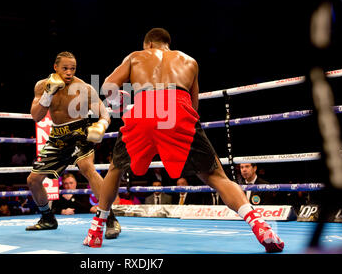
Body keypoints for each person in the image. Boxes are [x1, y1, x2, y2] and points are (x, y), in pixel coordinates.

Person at [83, 28, 284, 252]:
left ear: (148, 44)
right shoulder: (190, 61)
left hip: (144, 110)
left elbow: (107, 86)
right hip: (178, 108)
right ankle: (259, 225)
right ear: (167, 44)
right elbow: (193, 106)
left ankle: (96, 230)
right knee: (217, 177)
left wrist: (119, 101)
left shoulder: (135, 56)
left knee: (115, 170)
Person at [26, 51, 121, 239]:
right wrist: (48, 94)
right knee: (33, 180)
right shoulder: (42, 86)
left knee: (88, 168)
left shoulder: (84, 88)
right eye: (65, 68)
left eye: (73, 68)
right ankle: (47, 218)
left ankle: (110, 218)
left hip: (80, 133)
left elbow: (104, 114)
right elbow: (36, 116)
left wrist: (101, 125)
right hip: (57, 136)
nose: (69, 72)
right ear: (55, 67)